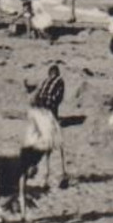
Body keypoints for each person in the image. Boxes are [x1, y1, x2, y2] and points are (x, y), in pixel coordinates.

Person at [24, 62, 71, 193]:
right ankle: (57, 176)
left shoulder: (45, 83)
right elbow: (57, 99)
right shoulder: (58, 82)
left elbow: (38, 98)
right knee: (55, 145)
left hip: (41, 115)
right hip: (50, 115)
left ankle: (43, 177)